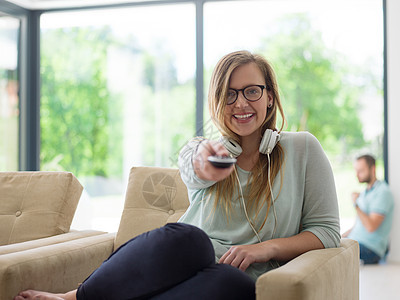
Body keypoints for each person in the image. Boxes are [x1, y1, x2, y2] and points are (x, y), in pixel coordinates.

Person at [14, 50, 340, 300]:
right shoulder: (208, 149)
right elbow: (194, 166)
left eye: (251, 91)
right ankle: (75, 297)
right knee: (191, 238)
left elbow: (325, 232)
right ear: (218, 102)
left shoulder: (303, 149)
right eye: (229, 93)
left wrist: (264, 249)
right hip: (180, 260)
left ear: (269, 97)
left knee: (235, 283)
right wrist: (206, 162)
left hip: (232, 278)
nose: (240, 102)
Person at [343, 155, 394, 264]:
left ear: (373, 169)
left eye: (361, 171)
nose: (357, 175)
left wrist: (356, 205)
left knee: (333, 254)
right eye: (356, 171)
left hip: (370, 249)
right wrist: (339, 237)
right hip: (357, 242)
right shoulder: (365, 193)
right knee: (328, 246)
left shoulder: (382, 192)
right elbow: (358, 225)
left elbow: (371, 226)